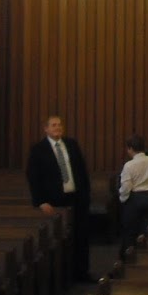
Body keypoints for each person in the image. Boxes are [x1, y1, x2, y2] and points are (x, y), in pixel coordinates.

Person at [26, 113, 93, 282]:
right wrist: (40, 201)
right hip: (54, 201)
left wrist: (86, 194)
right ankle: (61, 277)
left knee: (81, 237)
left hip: (76, 198)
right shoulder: (38, 149)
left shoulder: (71, 144)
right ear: (46, 129)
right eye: (54, 125)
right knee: (59, 240)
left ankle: (82, 274)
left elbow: (82, 171)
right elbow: (33, 177)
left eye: (59, 125)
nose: (57, 128)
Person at [117, 133, 148, 243]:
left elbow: (126, 187)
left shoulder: (129, 165)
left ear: (130, 148)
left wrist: (122, 199)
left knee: (131, 232)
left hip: (135, 200)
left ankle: (129, 256)